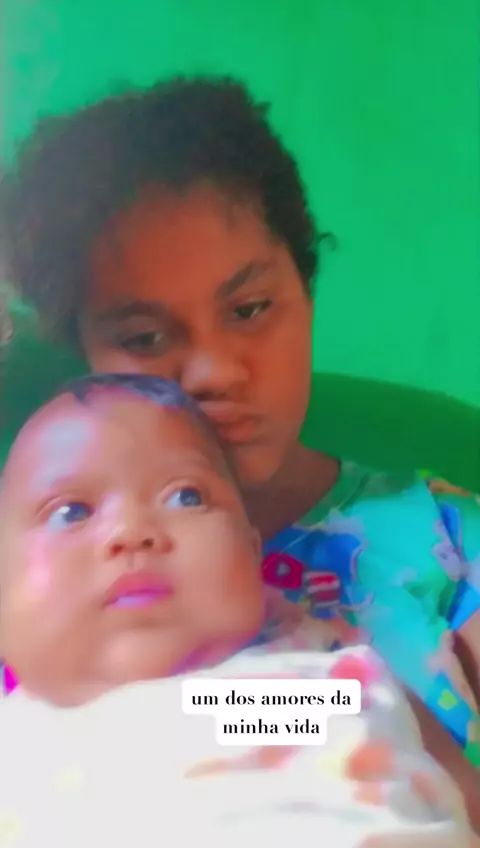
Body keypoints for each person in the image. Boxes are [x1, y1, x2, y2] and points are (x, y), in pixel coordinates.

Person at [1, 76, 480, 778]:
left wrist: (344, 710)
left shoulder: (449, 543)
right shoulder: (40, 576)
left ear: (306, 295)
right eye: (143, 336)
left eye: (249, 309)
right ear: (87, 360)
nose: (213, 373)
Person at [0, 373, 474, 846]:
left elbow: (457, 792)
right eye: (71, 512)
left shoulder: (290, 693)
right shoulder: (21, 743)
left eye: (186, 496)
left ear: (252, 553)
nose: (131, 530)